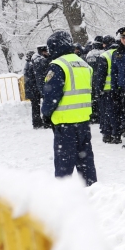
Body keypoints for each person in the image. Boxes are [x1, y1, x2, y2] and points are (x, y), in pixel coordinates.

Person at [41, 30, 97, 184]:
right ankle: (92, 192)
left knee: (64, 166)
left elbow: (51, 95)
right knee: (86, 162)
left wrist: (45, 114)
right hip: (83, 121)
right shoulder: (84, 64)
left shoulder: (58, 66)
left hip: (65, 124)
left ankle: (62, 197)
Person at [24, 46, 48, 129]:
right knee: (36, 106)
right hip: (33, 88)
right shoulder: (31, 65)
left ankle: (36, 122)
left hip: (30, 89)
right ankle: (38, 122)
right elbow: (35, 77)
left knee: (35, 106)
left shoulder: (27, 64)